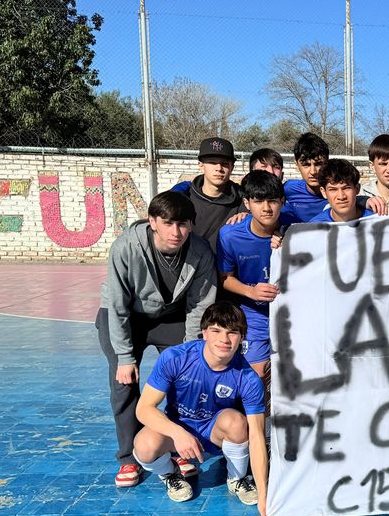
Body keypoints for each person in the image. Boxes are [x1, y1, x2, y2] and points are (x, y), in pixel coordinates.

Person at [97, 191, 217, 489]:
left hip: (170, 317)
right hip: (126, 317)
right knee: (124, 383)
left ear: (192, 225)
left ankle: (176, 446)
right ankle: (128, 457)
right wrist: (125, 357)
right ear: (152, 222)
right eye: (168, 223)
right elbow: (117, 306)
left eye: (184, 224)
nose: (176, 232)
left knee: (186, 379)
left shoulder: (200, 251)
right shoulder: (125, 248)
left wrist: (190, 353)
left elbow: (199, 306)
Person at [132, 302, 269, 516]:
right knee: (145, 446)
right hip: (179, 430)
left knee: (237, 422)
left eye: (232, 333)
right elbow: (144, 409)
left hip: (215, 433)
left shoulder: (248, 377)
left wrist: (263, 497)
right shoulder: (175, 358)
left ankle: (237, 478)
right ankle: (170, 473)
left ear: (242, 337)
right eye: (216, 331)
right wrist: (178, 433)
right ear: (204, 332)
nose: (224, 340)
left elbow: (256, 436)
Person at [216, 170, 284, 383]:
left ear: (282, 202)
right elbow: (225, 278)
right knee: (257, 375)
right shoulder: (230, 234)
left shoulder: (296, 227)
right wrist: (250, 291)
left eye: (272, 201)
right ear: (246, 203)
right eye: (258, 201)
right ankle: (256, 417)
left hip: (292, 311)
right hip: (254, 314)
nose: (266, 208)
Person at [180, 137, 245, 250]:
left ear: (232, 167)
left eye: (224, 163)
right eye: (212, 162)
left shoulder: (243, 199)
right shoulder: (184, 197)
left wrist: (250, 218)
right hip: (192, 265)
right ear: (201, 165)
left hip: (227, 266)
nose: (219, 168)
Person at [310, 158, 377, 223]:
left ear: (357, 189)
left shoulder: (377, 222)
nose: (341, 196)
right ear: (323, 192)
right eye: (333, 190)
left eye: (346, 188)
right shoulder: (313, 228)